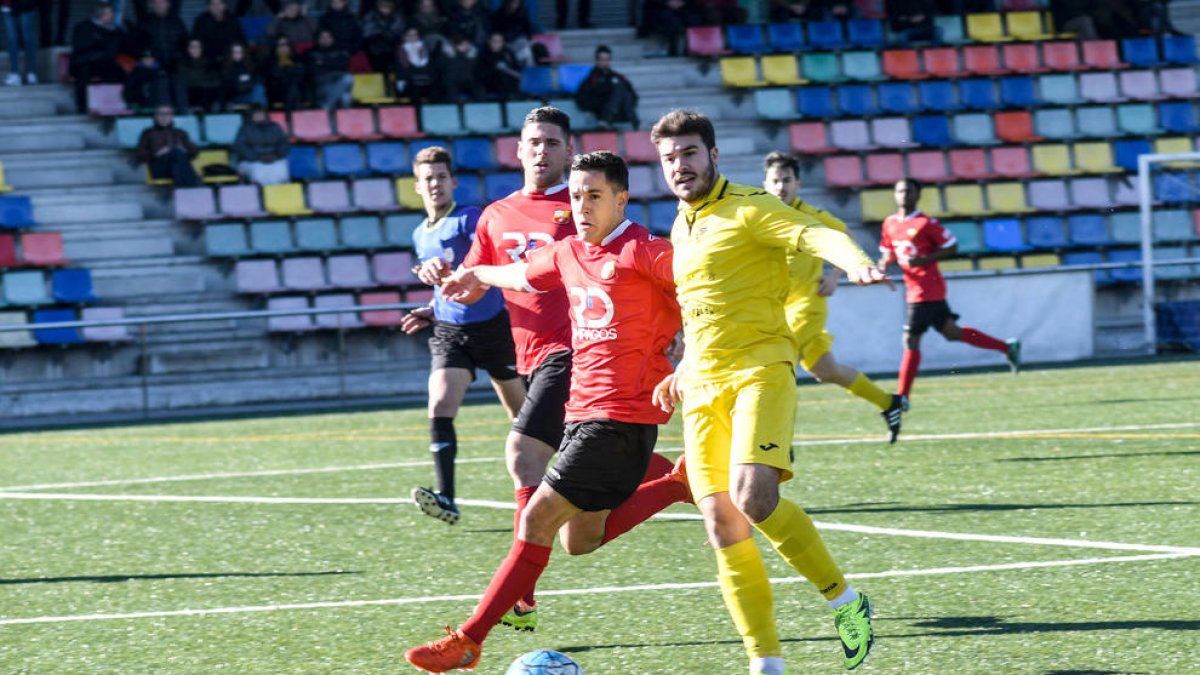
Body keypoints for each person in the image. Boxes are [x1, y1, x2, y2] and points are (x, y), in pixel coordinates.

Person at [404, 150, 692, 673]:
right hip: (585, 414)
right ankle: (678, 482)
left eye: (595, 196)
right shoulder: (569, 252)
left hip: (620, 417)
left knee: (536, 518)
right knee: (577, 539)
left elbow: (704, 295)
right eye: (577, 195)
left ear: (621, 198)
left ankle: (469, 640)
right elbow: (521, 276)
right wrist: (479, 277)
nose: (581, 206)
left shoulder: (646, 251)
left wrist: (688, 361)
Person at [650, 110, 888, 675]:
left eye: (688, 153)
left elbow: (814, 233)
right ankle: (766, 662)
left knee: (754, 498)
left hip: (761, 369)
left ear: (713, 155)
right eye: (669, 159)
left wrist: (854, 261)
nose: (679, 166)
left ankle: (845, 600)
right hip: (703, 385)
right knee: (719, 523)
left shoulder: (752, 206)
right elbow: (701, 310)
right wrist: (680, 369)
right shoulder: (680, 228)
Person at [431, 106, 577, 632]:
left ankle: (521, 597)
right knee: (584, 511)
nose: (541, 151)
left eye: (552, 143)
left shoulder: (583, 206)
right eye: (533, 142)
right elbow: (474, 276)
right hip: (532, 356)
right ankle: (679, 479)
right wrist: (448, 282)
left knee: (522, 455)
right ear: (518, 150)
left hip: (578, 349)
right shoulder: (496, 215)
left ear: (569, 152)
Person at [401, 146, 527, 526]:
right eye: (428, 179)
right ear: (417, 187)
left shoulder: (469, 219)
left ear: (453, 181)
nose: (435, 184)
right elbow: (444, 287)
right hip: (450, 332)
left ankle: (564, 481)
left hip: (492, 327)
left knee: (523, 417)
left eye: (441, 177)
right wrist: (432, 308)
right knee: (439, 404)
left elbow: (488, 261)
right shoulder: (420, 234)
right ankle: (447, 498)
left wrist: (453, 267)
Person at [762, 152, 906, 443]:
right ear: (766, 184)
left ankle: (779, 443)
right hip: (777, 308)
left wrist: (834, 276)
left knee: (776, 365)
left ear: (798, 183)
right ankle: (890, 403)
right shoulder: (763, 216)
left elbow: (845, 236)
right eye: (775, 181)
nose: (781, 187)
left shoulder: (813, 215)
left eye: (786, 180)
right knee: (826, 370)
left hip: (807, 307)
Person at [878, 179, 1021, 403]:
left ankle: (902, 397)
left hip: (927, 289)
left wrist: (924, 260)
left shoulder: (927, 224)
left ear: (918, 194)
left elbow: (952, 246)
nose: (904, 194)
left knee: (910, 339)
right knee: (951, 332)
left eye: (909, 190)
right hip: (915, 289)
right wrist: (883, 265)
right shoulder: (889, 223)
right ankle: (1007, 347)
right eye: (900, 190)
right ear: (894, 194)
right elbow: (889, 251)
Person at [69, 1, 126, 113]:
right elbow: (80, 47)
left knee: (118, 73)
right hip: (85, 62)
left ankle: (112, 105)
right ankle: (83, 107)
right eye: (110, 13)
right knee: (83, 74)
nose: (112, 16)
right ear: (102, 15)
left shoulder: (115, 31)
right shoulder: (83, 27)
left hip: (105, 63)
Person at [575, 45, 640, 130]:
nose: (604, 62)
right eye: (601, 60)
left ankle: (607, 119)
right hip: (600, 113)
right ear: (596, 61)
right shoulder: (591, 80)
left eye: (607, 60)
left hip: (621, 114)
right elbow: (582, 101)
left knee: (621, 89)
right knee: (619, 88)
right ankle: (635, 123)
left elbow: (633, 96)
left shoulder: (619, 77)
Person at [135, 104, 200, 186]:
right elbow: (139, 154)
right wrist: (156, 153)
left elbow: (195, 152)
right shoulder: (148, 133)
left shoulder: (180, 133)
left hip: (177, 166)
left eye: (167, 114)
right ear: (155, 116)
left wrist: (185, 150)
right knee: (177, 155)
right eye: (161, 114)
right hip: (160, 168)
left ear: (172, 117)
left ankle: (181, 189)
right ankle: (192, 183)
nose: (164, 117)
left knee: (177, 160)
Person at [231, 103, 290, 184]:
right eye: (256, 114)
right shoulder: (245, 129)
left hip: (274, 158)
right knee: (258, 170)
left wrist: (278, 155)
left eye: (261, 113)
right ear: (251, 115)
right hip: (252, 161)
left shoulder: (275, 127)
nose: (259, 116)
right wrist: (256, 157)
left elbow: (284, 142)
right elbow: (240, 146)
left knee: (281, 167)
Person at [191, 0, 246, 67]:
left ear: (224, 5)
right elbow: (195, 43)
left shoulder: (233, 21)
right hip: (207, 62)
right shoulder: (201, 22)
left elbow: (241, 41)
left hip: (230, 61)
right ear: (208, 7)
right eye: (213, 4)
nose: (216, 7)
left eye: (219, 3)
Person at [307, 28, 352, 109]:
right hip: (322, 85)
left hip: (338, 81)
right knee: (345, 94)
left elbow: (343, 65)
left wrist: (323, 62)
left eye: (328, 37)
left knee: (346, 93)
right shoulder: (311, 52)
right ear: (318, 39)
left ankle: (326, 107)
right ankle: (328, 107)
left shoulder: (341, 50)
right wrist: (333, 63)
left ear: (333, 38)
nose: (325, 40)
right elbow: (313, 70)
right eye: (322, 37)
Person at [264, 35, 308, 110]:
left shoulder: (297, 60)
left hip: (297, 90)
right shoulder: (269, 62)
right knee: (292, 87)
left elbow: (302, 75)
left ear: (290, 47)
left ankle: (290, 114)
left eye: (285, 45)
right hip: (277, 91)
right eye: (280, 45)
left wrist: (285, 70)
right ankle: (295, 115)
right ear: (275, 47)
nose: (283, 48)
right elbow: (272, 77)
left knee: (294, 88)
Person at [178, 38, 223, 112]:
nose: (195, 50)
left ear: (202, 49)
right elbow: (183, 81)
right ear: (188, 49)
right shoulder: (182, 64)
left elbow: (215, 81)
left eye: (197, 47)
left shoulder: (210, 63)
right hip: (189, 97)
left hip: (206, 97)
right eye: (192, 47)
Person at [393, 26, 436, 102]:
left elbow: (430, 67)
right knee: (415, 88)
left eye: (415, 35)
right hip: (409, 82)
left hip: (425, 80)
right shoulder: (400, 51)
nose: (413, 37)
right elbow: (402, 70)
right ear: (405, 37)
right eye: (410, 35)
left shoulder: (425, 48)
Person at [361, 0, 404, 73]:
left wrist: (389, 34)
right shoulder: (370, 16)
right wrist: (380, 33)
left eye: (388, 7)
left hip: (392, 47)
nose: (385, 10)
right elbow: (366, 33)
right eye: (383, 7)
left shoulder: (396, 17)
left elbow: (399, 32)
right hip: (375, 48)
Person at [475, 31, 520, 100]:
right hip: (489, 82)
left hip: (508, 82)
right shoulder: (483, 54)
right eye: (494, 41)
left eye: (499, 41)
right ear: (489, 42)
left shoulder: (508, 53)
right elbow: (480, 73)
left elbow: (516, 68)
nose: (497, 44)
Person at [2, 0, 38, 86]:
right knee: (11, 39)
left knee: (28, 38)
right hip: (7, 6)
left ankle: (31, 72)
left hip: (25, 5)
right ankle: (15, 73)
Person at [220, 42, 267, 108]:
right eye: (235, 52)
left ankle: (259, 113)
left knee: (259, 90)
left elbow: (256, 80)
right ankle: (259, 112)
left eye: (240, 52)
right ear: (231, 54)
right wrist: (240, 84)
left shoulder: (249, 66)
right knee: (258, 94)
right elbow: (227, 88)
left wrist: (245, 83)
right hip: (236, 97)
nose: (237, 54)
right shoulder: (227, 68)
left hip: (249, 94)